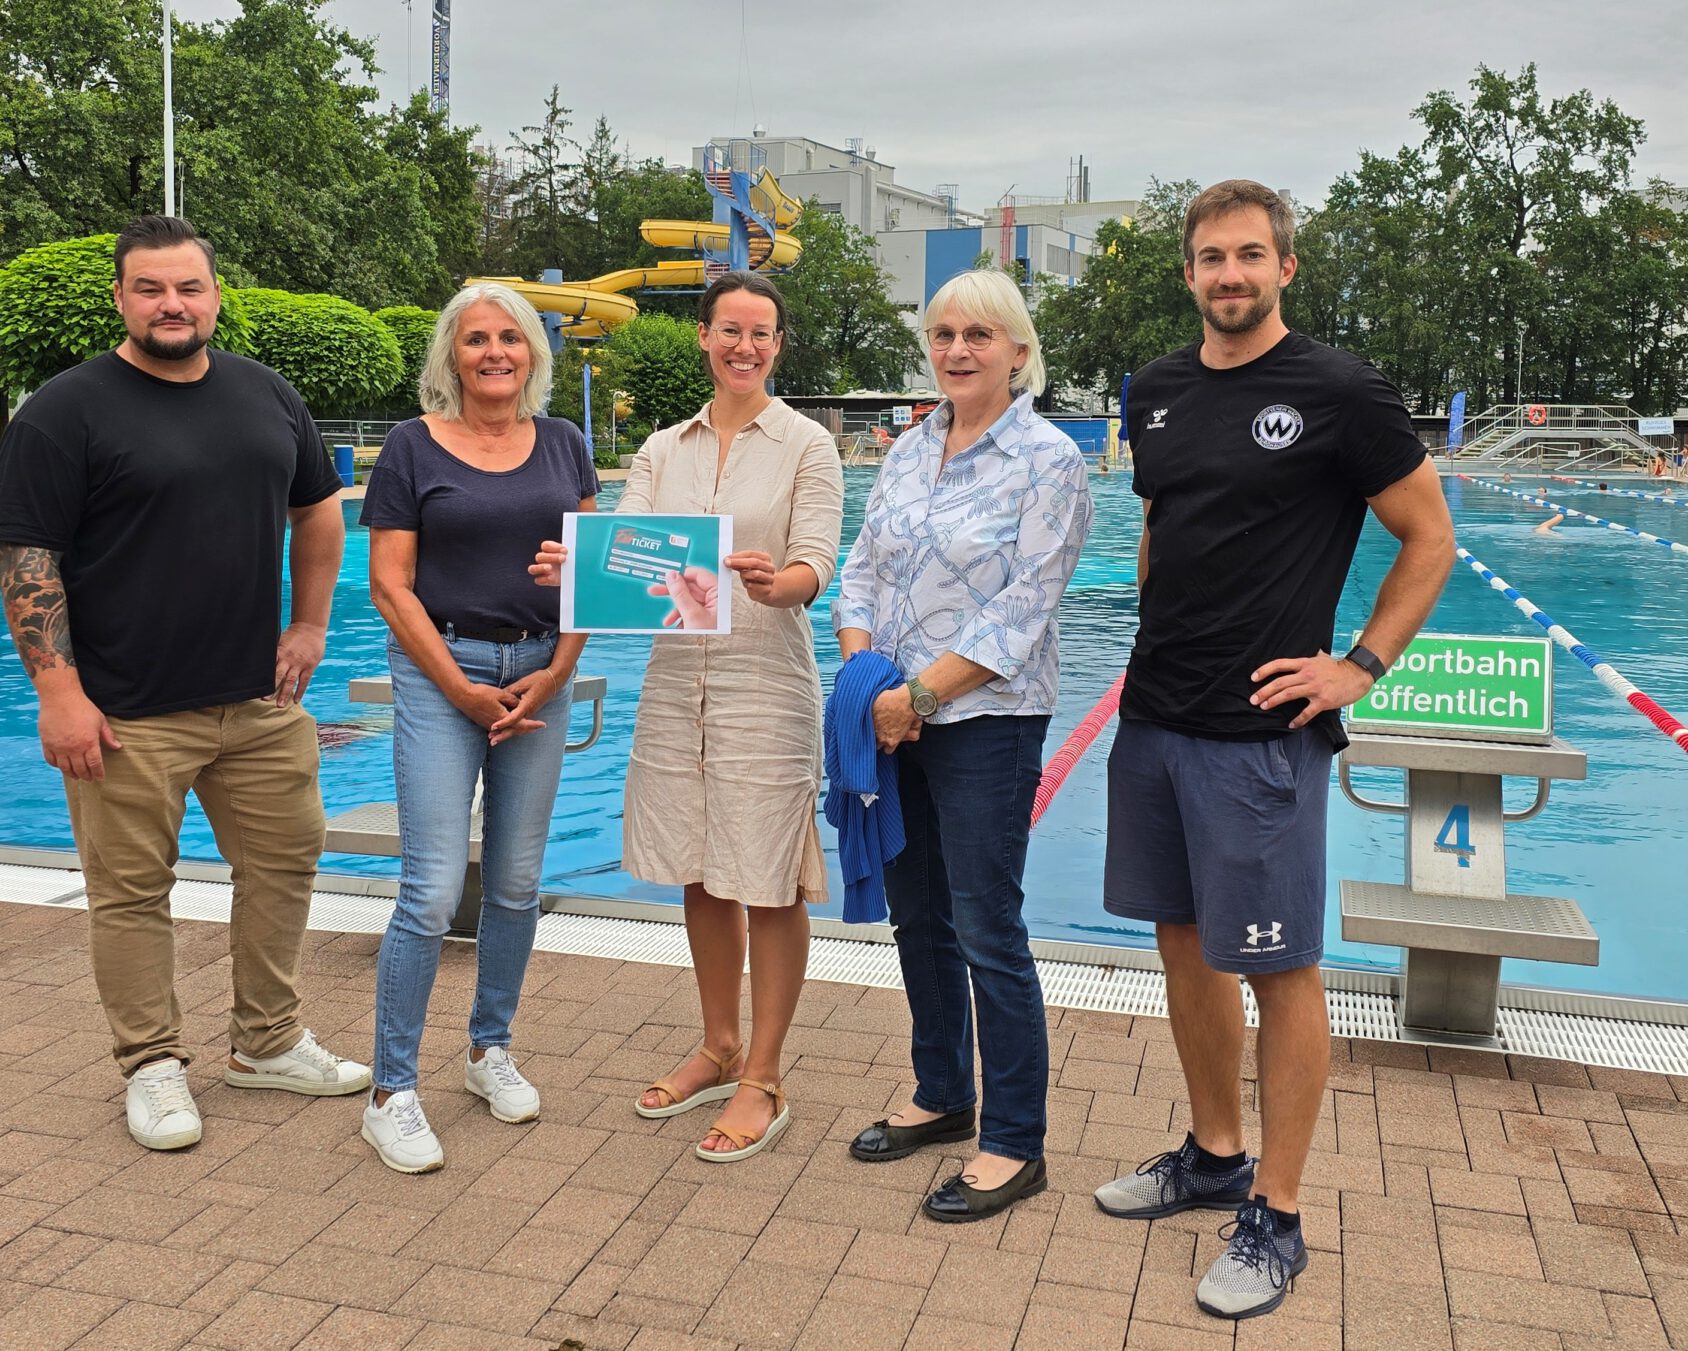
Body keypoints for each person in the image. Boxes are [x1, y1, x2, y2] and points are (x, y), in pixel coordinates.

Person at [1094, 180, 1454, 1319]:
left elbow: (1429, 538)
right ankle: (1213, 1153)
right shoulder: (1153, 390)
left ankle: (1280, 1215)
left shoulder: (1340, 392)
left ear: (1286, 268)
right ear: (1190, 272)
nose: (1230, 274)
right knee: (1185, 942)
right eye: (1211, 257)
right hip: (1155, 718)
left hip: (1260, 736)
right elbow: (1161, 525)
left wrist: (1359, 666)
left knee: (1279, 965)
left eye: (1251, 255)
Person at [0, 215, 369, 1153]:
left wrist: (311, 624)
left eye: (188, 288)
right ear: (120, 296)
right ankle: (152, 1064)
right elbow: (27, 558)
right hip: (123, 710)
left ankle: (267, 1041)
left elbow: (319, 513)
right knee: (129, 892)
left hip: (258, 700)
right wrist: (58, 693)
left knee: (285, 864)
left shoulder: (265, 394)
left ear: (214, 294)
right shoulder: (62, 411)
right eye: (151, 288)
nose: (172, 305)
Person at [533, 271, 842, 1162]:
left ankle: (765, 1072)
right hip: (678, 685)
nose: (747, 346)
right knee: (701, 869)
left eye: (764, 333)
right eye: (731, 330)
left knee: (769, 876)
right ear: (705, 336)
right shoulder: (664, 450)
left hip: (764, 685)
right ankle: (718, 1042)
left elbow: (816, 564)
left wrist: (773, 582)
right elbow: (628, 557)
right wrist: (576, 567)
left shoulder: (806, 446)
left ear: (777, 346)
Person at [835, 268, 1091, 1223]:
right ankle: (942, 1092)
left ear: (1018, 351)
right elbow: (861, 569)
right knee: (918, 916)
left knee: (987, 925)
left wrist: (918, 696)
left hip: (987, 722)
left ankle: (1014, 1140)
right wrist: (868, 681)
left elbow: (1024, 606)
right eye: (942, 333)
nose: (956, 350)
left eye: (979, 334)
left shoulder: (1050, 460)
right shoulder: (909, 448)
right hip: (892, 715)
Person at [356, 284, 597, 1173]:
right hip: (439, 674)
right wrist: (459, 688)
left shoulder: (565, 444)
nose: (495, 352)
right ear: (450, 357)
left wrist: (557, 672)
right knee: (427, 889)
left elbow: (594, 575)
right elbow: (390, 585)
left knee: (517, 882)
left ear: (533, 352)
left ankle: (489, 1047)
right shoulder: (412, 448)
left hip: (541, 669)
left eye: (511, 338)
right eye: (476, 340)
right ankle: (391, 1090)